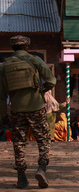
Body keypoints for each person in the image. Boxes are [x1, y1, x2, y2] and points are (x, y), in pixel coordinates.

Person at [0, 35, 56, 188]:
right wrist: (40, 91)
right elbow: (52, 81)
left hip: (17, 110)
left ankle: (21, 177)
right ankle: (42, 168)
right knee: (44, 139)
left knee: (19, 143)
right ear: (26, 47)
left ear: (13, 48)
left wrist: (4, 115)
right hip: (36, 107)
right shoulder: (35, 60)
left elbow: (1, 95)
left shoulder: (4, 66)